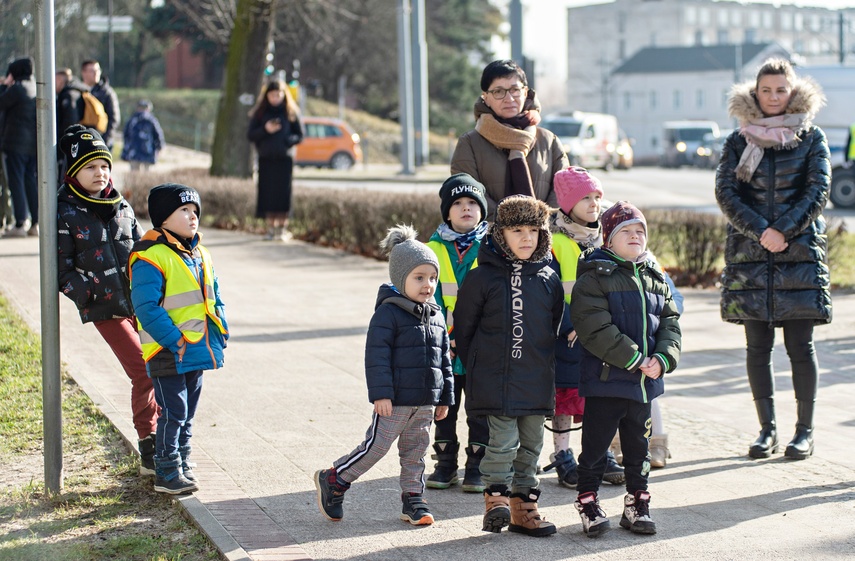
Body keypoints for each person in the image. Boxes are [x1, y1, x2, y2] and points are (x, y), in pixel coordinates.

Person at [715, 58, 831, 461]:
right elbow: (727, 194)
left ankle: (805, 432)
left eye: (781, 89)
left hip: (798, 255)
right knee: (757, 347)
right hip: (751, 256)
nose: (774, 97)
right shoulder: (737, 141)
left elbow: (817, 191)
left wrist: (782, 229)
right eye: (766, 90)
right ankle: (767, 430)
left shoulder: (811, 138)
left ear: (792, 91)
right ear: (755, 93)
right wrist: (760, 230)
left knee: (801, 347)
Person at [314, 225, 453, 526]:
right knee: (376, 447)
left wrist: (445, 397)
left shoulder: (437, 314)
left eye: (432, 277)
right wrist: (381, 393)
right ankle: (335, 478)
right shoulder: (388, 313)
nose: (428, 285)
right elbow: (376, 357)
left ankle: (413, 500)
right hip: (396, 400)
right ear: (400, 278)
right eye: (419, 278)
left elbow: (444, 361)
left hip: (426, 401)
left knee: (416, 453)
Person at [454, 195, 564, 537]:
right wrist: (481, 364)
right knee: (502, 442)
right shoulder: (481, 278)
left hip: (535, 377)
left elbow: (554, 325)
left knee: (531, 445)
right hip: (495, 378)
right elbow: (465, 327)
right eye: (517, 229)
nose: (527, 237)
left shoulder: (548, 278)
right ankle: (497, 500)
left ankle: (524, 509)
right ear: (501, 233)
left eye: (533, 229)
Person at [570, 201, 681, 538]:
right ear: (608, 239)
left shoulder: (654, 276)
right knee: (595, 448)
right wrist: (634, 359)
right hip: (607, 381)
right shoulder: (594, 276)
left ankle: (637, 502)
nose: (635, 236)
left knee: (638, 448)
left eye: (639, 231)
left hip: (644, 385)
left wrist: (662, 359)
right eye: (626, 231)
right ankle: (588, 500)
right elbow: (594, 326)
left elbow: (670, 323)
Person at [56, 124, 160, 474]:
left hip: (142, 305)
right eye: (90, 167)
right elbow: (61, 269)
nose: (100, 173)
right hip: (106, 310)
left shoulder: (121, 204)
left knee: (160, 368)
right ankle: (149, 443)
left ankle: (163, 440)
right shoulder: (64, 212)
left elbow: (144, 249)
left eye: (104, 165)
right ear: (72, 172)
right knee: (143, 371)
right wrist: (88, 294)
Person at [129, 183, 229, 494]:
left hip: (196, 348)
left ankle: (182, 459)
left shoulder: (200, 254)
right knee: (173, 410)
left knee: (189, 409)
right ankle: (167, 469)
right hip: (167, 349)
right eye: (183, 211)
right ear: (163, 219)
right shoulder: (151, 256)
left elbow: (215, 297)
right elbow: (145, 307)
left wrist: (222, 328)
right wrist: (174, 339)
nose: (192, 217)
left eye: (195, 211)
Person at [541, 167, 624, 489]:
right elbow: (549, 292)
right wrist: (571, 324)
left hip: (605, 332)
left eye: (596, 197)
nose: (593, 203)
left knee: (602, 397)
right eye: (584, 198)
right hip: (569, 335)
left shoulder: (608, 237)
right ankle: (562, 455)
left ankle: (600, 454)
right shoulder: (554, 243)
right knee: (566, 396)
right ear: (566, 204)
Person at [424, 173, 490, 493]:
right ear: (447, 212)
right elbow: (426, 295)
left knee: (479, 408)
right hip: (443, 346)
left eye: (472, 203)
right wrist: (439, 336)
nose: (465, 209)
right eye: (458, 203)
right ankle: (445, 463)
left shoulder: (492, 247)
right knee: (444, 407)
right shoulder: (431, 249)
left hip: (480, 345)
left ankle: (476, 465)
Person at [450, 59, 568, 220]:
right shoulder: (470, 143)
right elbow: (468, 192)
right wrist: (508, 225)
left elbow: (563, 188)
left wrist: (543, 222)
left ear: (525, 92)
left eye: (515, 90)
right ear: (485, 98)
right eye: (498, 92)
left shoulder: (549, 141)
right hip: (489, 238)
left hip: (544, 235)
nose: (509, 98)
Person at [247, 81, 303, 241]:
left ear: (284, 94)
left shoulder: (290, 112)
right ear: (266, 96)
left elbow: (299, 135)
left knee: (283, 194)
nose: (275, 98)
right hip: (266, 158)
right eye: (272, 95)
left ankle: (282, 229)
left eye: (278, 94)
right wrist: (266, 129)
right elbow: (250, 135)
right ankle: (270, 228)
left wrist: (287, 140)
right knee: (268, 194)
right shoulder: (260, 113)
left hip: (284, 159)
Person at [0, 58, 38, 238]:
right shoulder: (36, 86)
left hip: (15, 144)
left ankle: (20, 223)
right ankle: (35, 222)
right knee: (30, 181)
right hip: (33, 145)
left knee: (16, 182)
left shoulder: (17, 88)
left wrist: (4, 85)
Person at [80, 60, 120, 149]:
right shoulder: (77, 91)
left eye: (97, 70)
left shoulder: (107, 93)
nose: (96, 73)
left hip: (101, 141)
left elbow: (114, 118)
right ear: (83, 72)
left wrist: (104, 140)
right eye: (92, 71)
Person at [121, 100, 165, 172]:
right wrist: (160, 146)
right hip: (145, 150)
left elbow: (126, 135)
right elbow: (158, 134)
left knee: (136, 172)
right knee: (143, 173)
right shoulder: (150, 120)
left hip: (137, 151)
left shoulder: (133, 120)